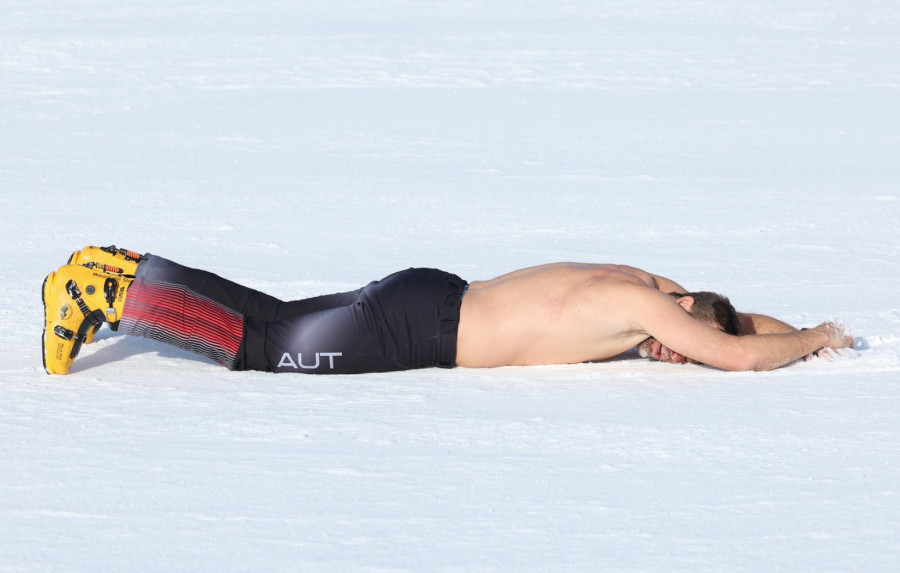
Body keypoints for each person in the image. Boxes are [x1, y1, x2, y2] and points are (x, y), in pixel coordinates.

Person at [41, 245, 853, 375]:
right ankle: (108, 292)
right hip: (415, 329)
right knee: (260, 348)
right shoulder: (649, 307)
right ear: (681, 310)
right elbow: (741, 354)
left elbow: (741, 329)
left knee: (277, 317)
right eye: (681, 341)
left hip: (431, 296)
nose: (671, 350)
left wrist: (799, 330)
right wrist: (815, 338)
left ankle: (121, 269)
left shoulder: (643, 280)